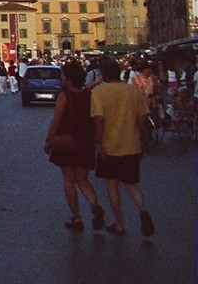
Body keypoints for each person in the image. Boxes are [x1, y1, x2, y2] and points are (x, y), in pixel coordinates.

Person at [90, 56, 153, 236]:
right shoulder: (133, 91)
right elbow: (142, 119)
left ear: (103, 74)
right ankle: (143, 211)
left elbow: (99, 119)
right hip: (132, 145)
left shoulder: (99, 92)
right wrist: (142, 140)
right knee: (132, 184)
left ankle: (119, 223)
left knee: (112, 184)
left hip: (109, 146)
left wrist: (98, 142)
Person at [44, 59, 103, 231]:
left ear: (69, 79)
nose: (61, 79)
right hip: (85, 142)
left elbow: (56, 121)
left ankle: (76, 218)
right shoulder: (87, 95)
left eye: (63, 76)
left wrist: (49, 141)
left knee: (69, 180)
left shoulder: (65, 97)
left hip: (68, 142)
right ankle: (94, 206)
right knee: (83, 180)